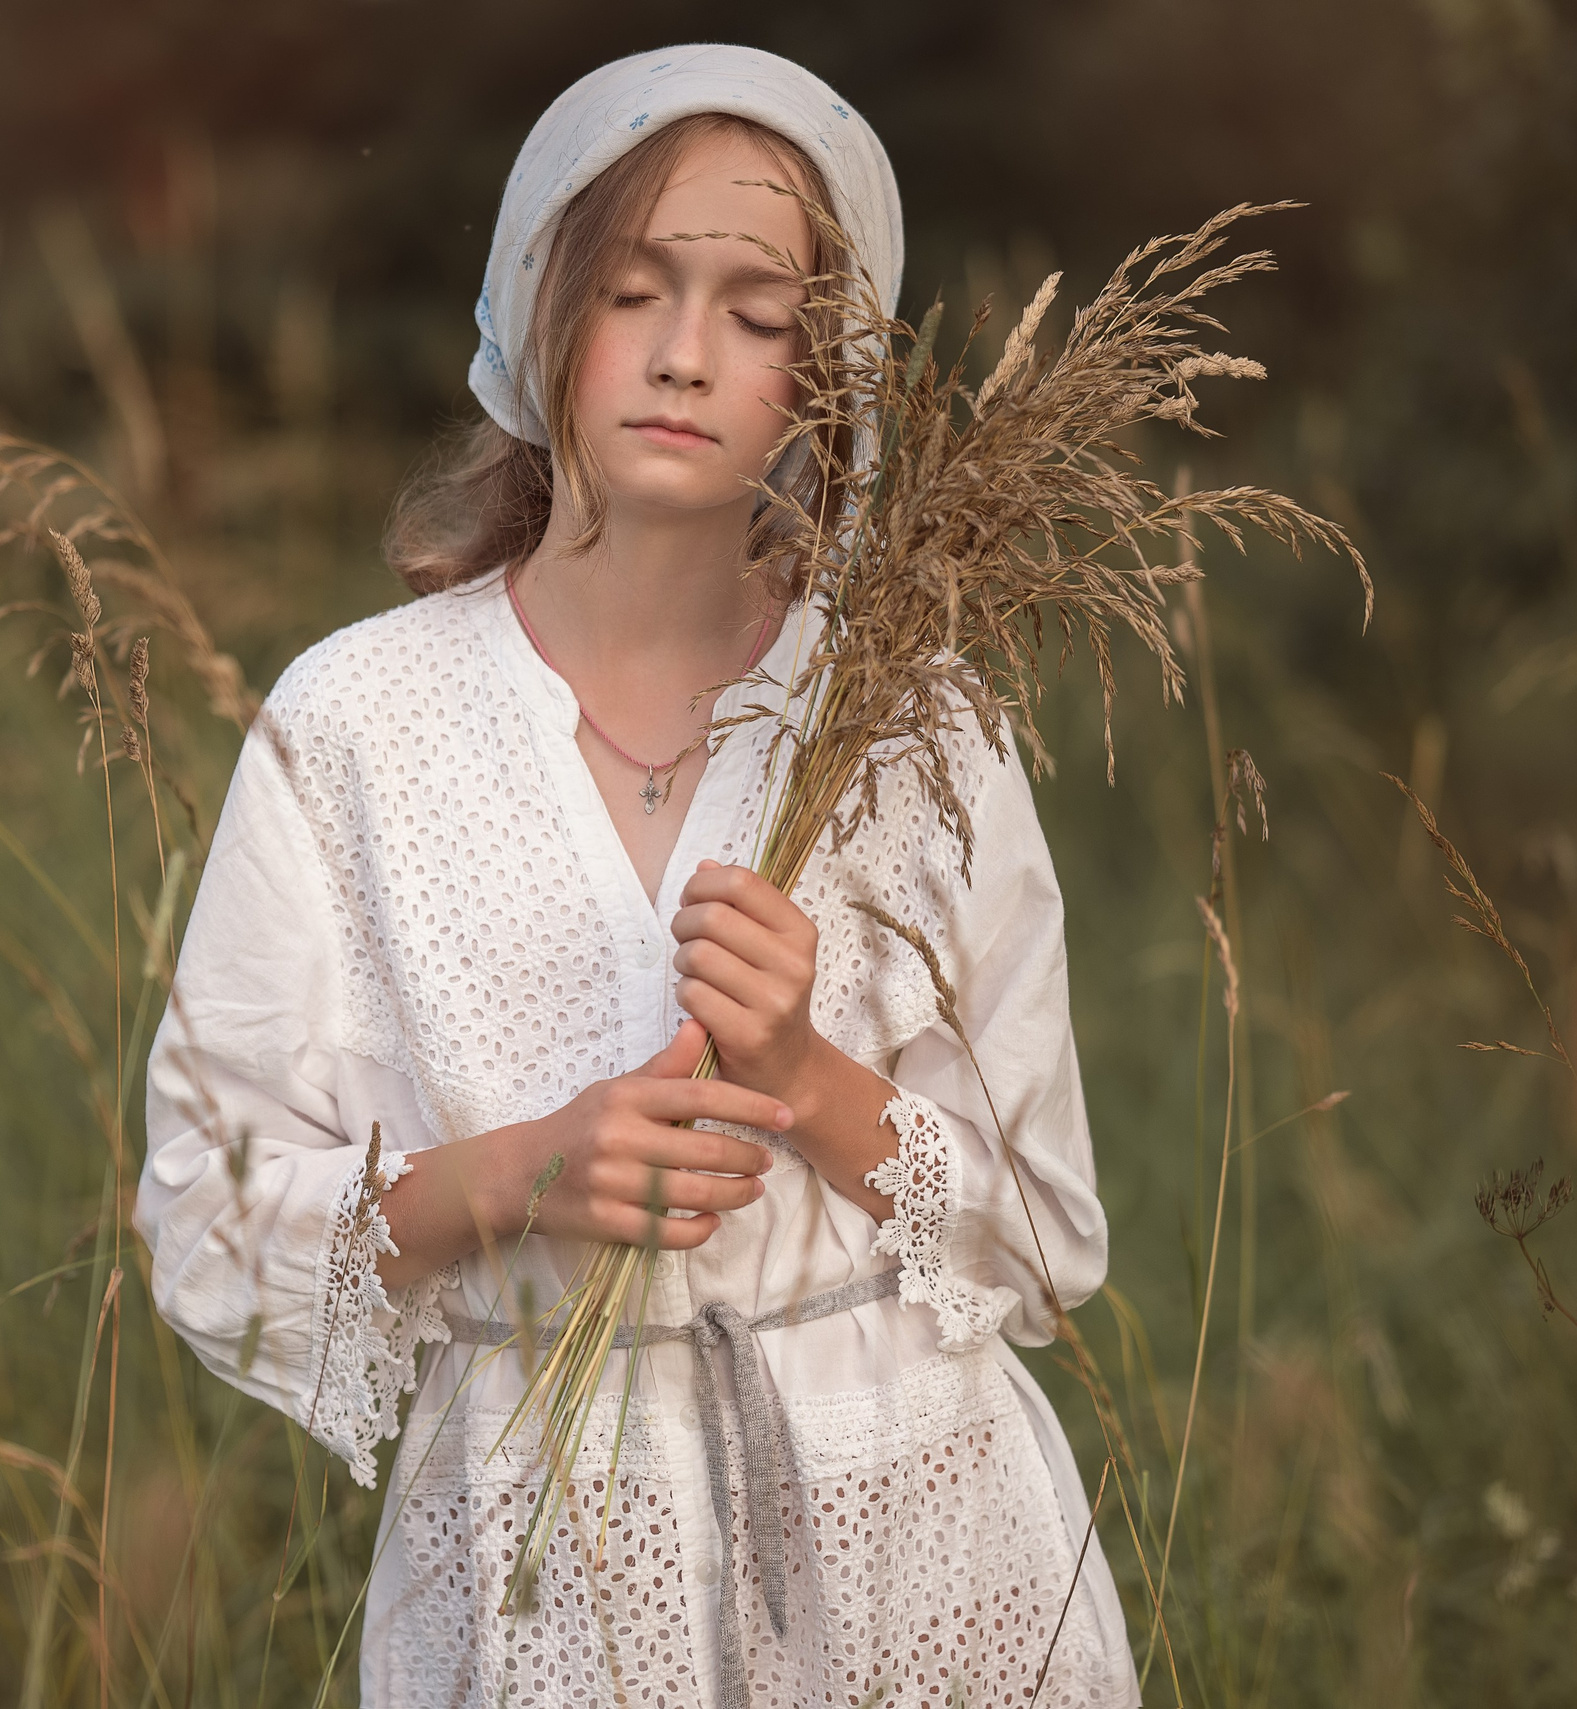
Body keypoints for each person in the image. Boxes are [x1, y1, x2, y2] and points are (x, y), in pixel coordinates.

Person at [134, 43, 1138, 1709]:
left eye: (756, 316)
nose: (686, 355)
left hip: (924, 1554)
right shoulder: (356, 726)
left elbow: (1043, 1238)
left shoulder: (907, 724)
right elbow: (208, 1220)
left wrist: (809, 1079)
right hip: (548, 1574)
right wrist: (522, 1171)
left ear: (825, 379)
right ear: (544, 313)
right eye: (635, 292)